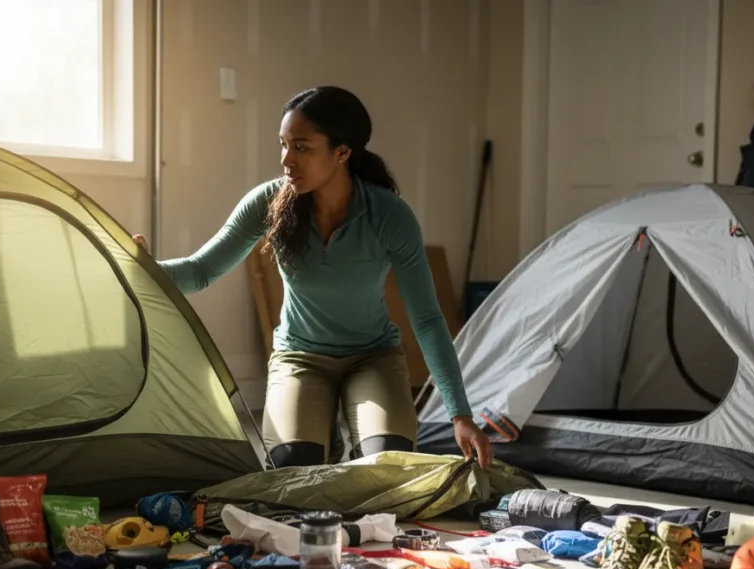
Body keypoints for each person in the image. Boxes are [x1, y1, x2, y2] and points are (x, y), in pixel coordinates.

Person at [134, 86, 492, 470]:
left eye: (301, 147)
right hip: (299, 358)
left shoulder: (389, 215)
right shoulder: (267, 202)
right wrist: (140, 268)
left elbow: (426, 319)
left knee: (387, 468)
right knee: (293, 468)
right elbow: (201, 271)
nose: (287, 160)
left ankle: (347, 438)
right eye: (283, 145)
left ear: (342, 152)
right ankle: (322, 437)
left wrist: (461, 415)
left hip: (372, 358)